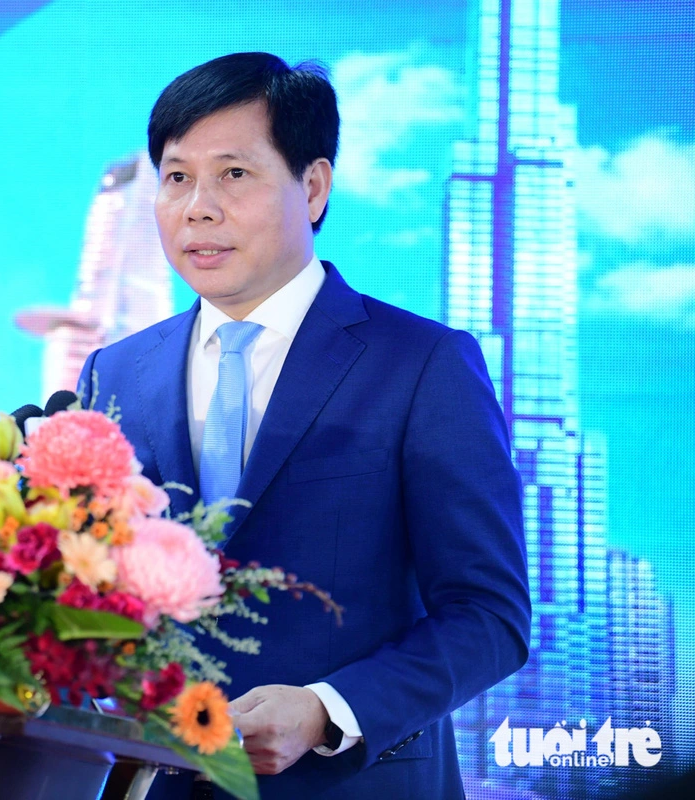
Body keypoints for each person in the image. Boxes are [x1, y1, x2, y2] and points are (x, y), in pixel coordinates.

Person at [76, 52, 531, 799]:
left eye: (233, 174)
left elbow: (489, 616)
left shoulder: (422, 364)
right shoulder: (115, 374)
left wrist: (327, 710)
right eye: (177, 177)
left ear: (313, 187)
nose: (198, 208)